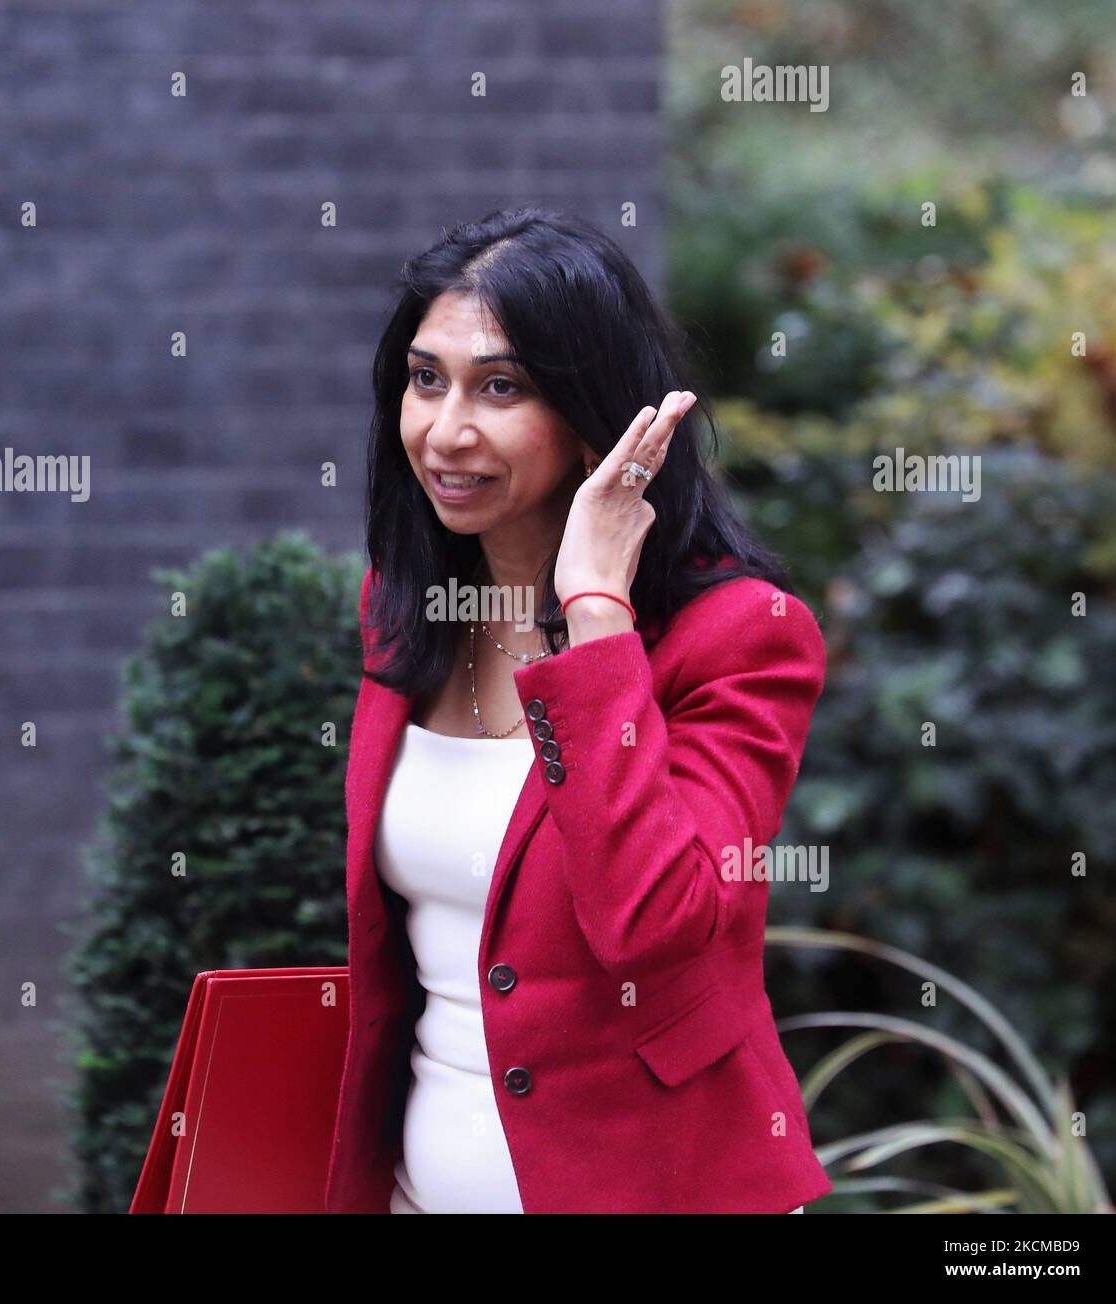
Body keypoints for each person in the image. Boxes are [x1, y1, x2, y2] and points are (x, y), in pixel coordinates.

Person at [324, 205, 830, 1215]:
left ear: (596, 411)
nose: (446, 429)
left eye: (499, 386)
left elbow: (658, 921)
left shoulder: (742, 637)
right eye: (427, 379)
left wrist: (595, 612)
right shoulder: (403, 612)